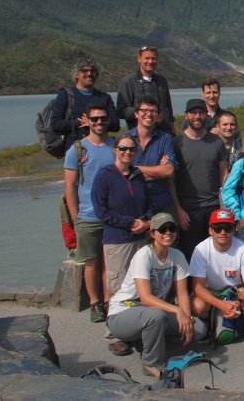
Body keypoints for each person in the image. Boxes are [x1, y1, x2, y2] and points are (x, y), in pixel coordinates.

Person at [106, 213, 206, 379]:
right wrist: (177, 311)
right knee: (156, 317)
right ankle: (151, 362)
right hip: (123, 312)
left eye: (172, 228)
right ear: (152, 233)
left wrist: (186, 317)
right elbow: (145, 298)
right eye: (162, 229)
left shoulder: (177, 256)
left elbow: (182, 293)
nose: (168, 233)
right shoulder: (143, 256)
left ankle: (145, 341)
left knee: (199, 329)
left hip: (151, 314)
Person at [63, 103, 115, 323]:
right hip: (88, 215)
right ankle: (95, 303)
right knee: (92, 261)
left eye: (103, 118)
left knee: (110, 261)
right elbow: (70, 187)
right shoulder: (76, 150)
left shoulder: (117, 146)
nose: (99, 122)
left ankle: (108, 301)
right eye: (95, 119)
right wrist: (76, 218)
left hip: (114, 215)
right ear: (88, 122)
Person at [93, 133, 154, 302]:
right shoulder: (104, 176)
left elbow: (148, 203)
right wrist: (130, 223)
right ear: (115, 150)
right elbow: (101, 211)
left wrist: (147, 222)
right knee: (119, 286)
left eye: (132, 149)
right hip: (118, 241)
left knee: (142, 283)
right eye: (123, 148)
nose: (127, 152)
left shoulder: (138, 174)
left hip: (141, 238)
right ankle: (115, 323)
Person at [174, 99, 230, 260]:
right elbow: (171, 181)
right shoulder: (177, 143)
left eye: (201, 113)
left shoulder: (216, 141)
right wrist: (178, 209)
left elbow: (223, 175)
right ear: (186, 115)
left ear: (206, 115)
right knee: (191, 255)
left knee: (216, 254)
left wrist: (223, 207)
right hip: (188, 209)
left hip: (213, 207)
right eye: (193, 113)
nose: (197, 116)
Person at [190, 209, 244, 323]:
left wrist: (238, 302)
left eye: (228, 228)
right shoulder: (201, 249)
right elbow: (198, 287)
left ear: (234, 230)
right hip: (211, 291)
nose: (223, 232)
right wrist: (221, 305)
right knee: (197, 306)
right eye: (218, 228)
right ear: (210, 230)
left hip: (236, 291)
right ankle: (212, 321)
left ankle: (238, 319)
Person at [49, 56, 120, 152]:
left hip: (102, 149)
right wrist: (80, 123)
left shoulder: (105, 97)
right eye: (84, 71)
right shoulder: (66, 95)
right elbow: (55, 124)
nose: (89, 73)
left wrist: (94, 122)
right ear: (76, 75)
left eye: (93, 71)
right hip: (74, 151)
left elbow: (116, 125)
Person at [127, 96, 177, 215]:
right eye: (144, 110)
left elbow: (168, 171)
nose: (149, 114)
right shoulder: (125, 139)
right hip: (133, 206)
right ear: (136, 114)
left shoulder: (165, 139)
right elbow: (121, 174)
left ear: (158, 116)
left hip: (160, 205)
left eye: (153, 111)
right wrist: (158, 170)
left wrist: (133, 171)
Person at [116, 45, 174, 134]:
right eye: (147, 58)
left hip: (163, 133)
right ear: (139, 59)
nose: (150, 61)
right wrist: (146, 113)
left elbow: (168, 110)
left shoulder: (162, 81)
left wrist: (173, 131)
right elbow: (121, 111)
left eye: (153, 58)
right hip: (139, 136)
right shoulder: (128, 82)